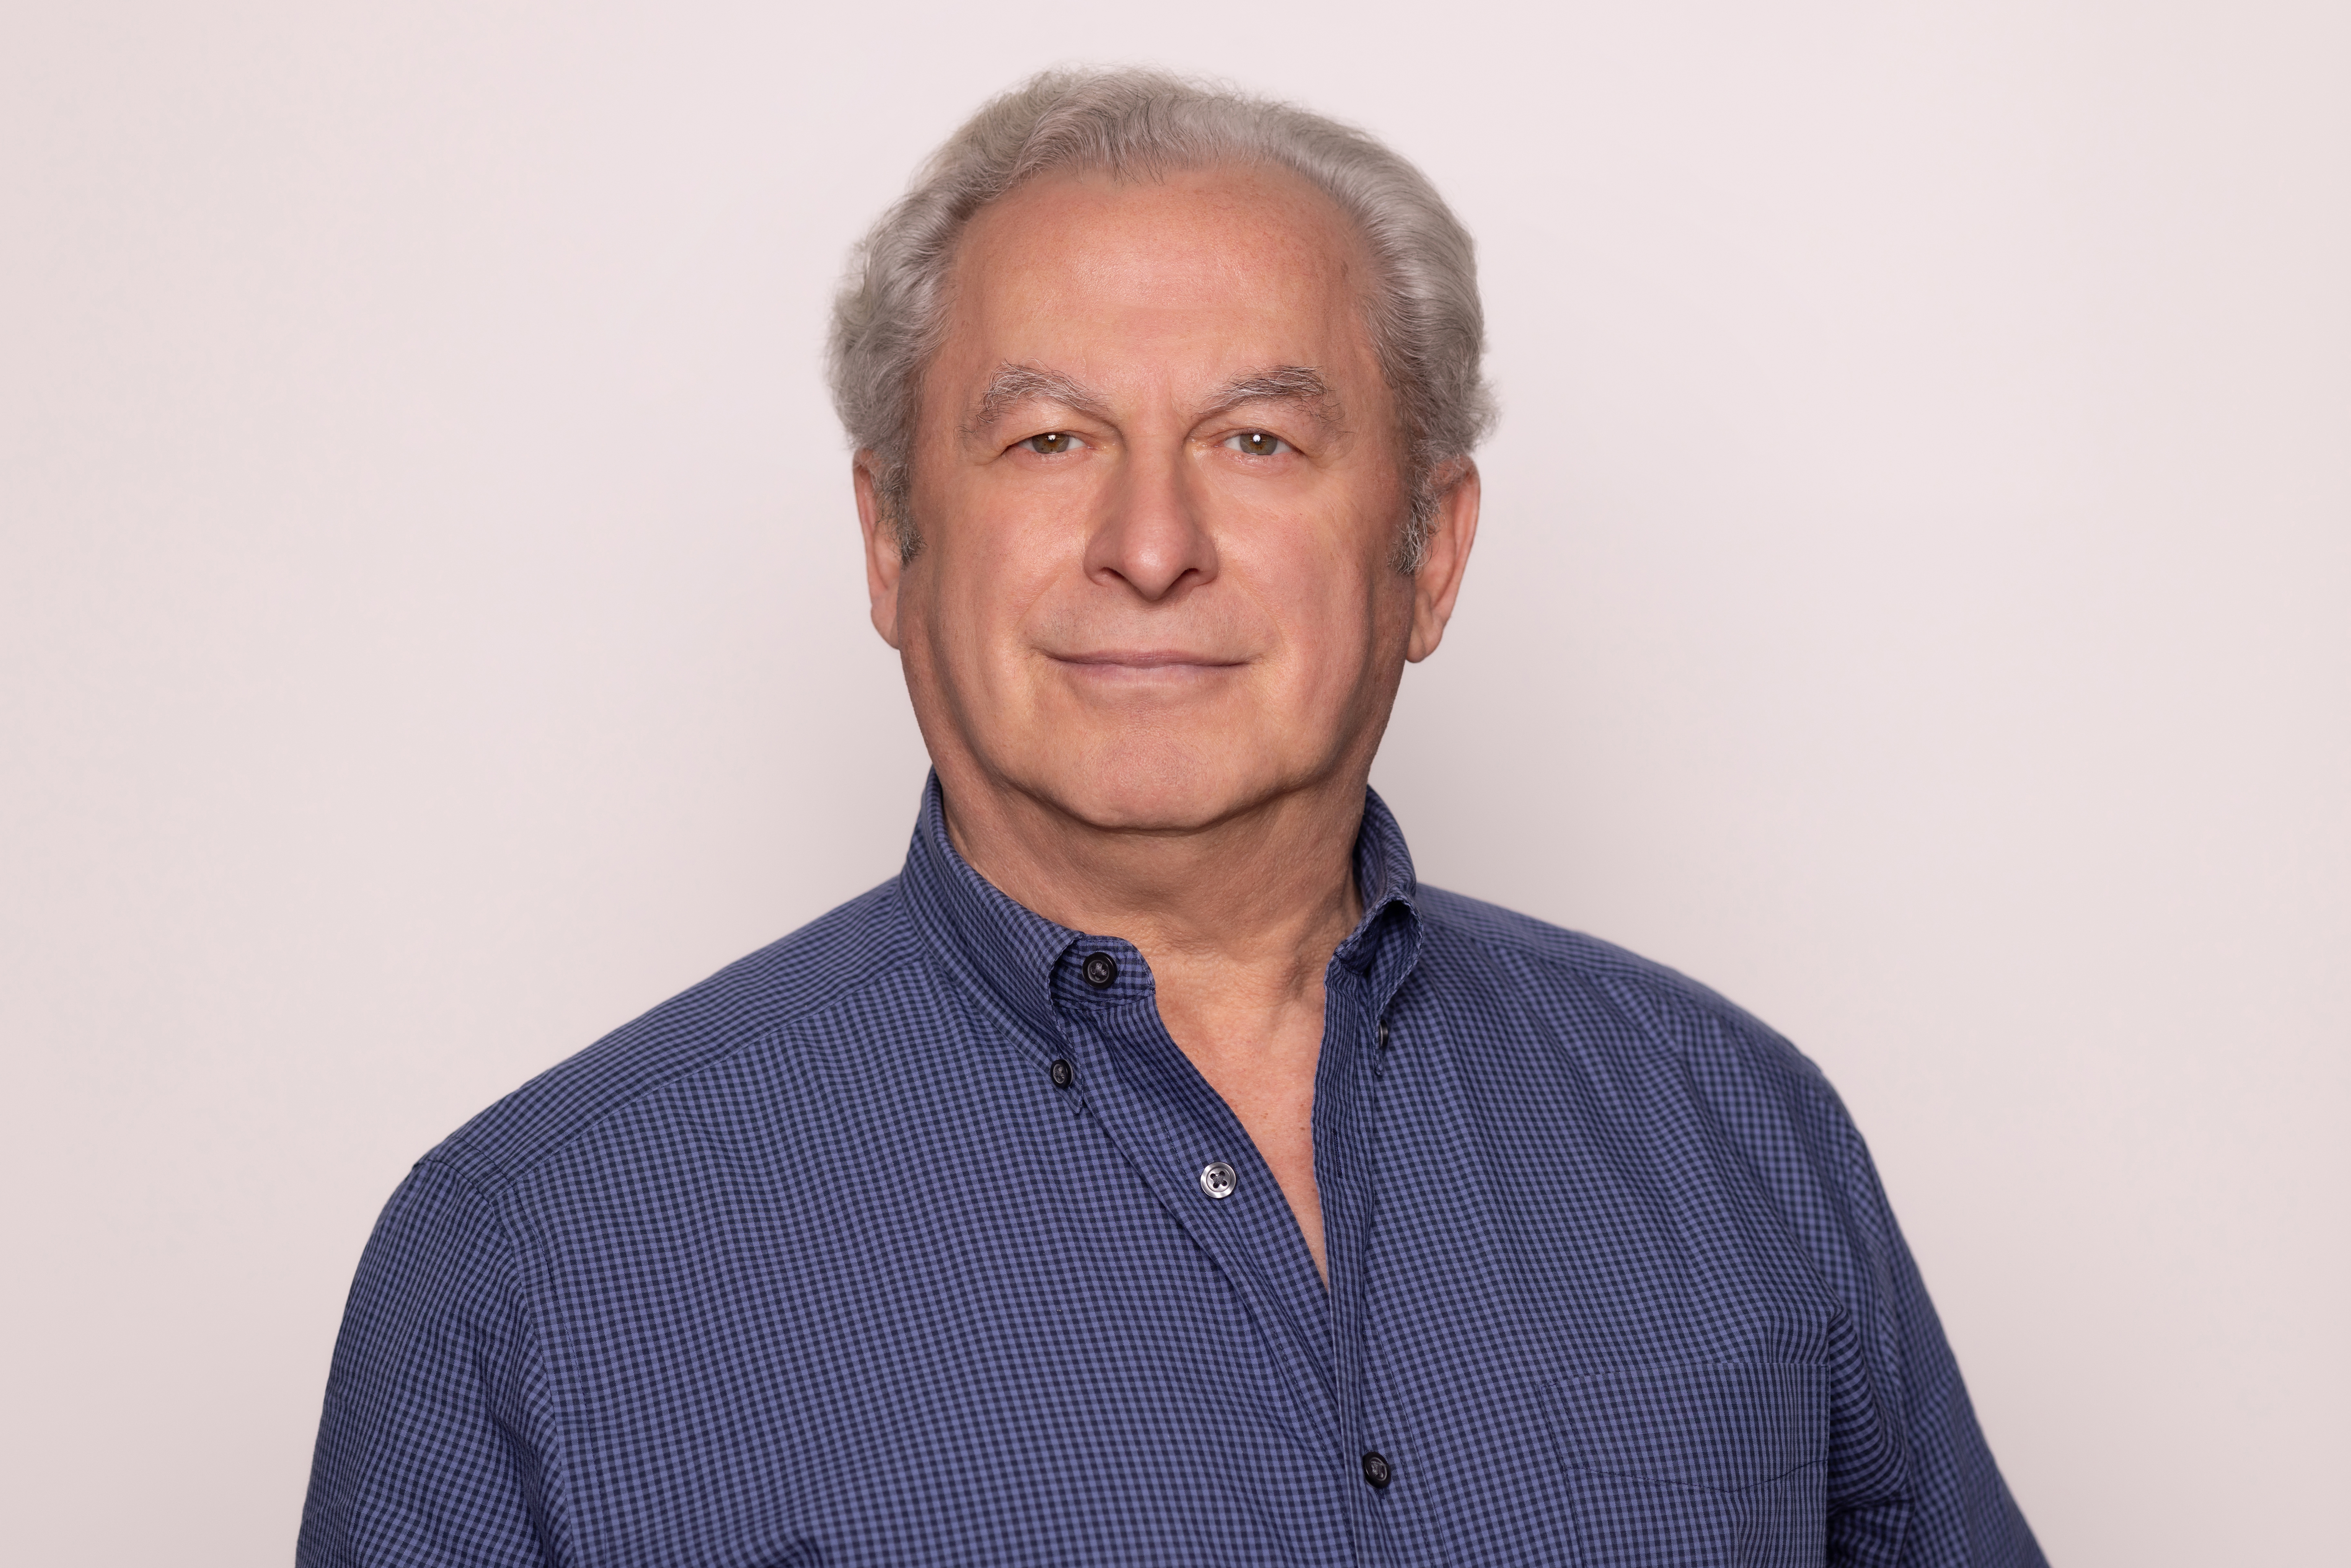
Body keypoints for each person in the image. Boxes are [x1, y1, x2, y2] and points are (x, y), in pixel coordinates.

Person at [299, 68, 2045, 1567]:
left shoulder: (1734, 1133)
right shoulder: (531, 1261)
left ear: (1429, 551)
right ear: (892, 544)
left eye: (1260, 442)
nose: (1151, 545)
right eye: (1051, 440)